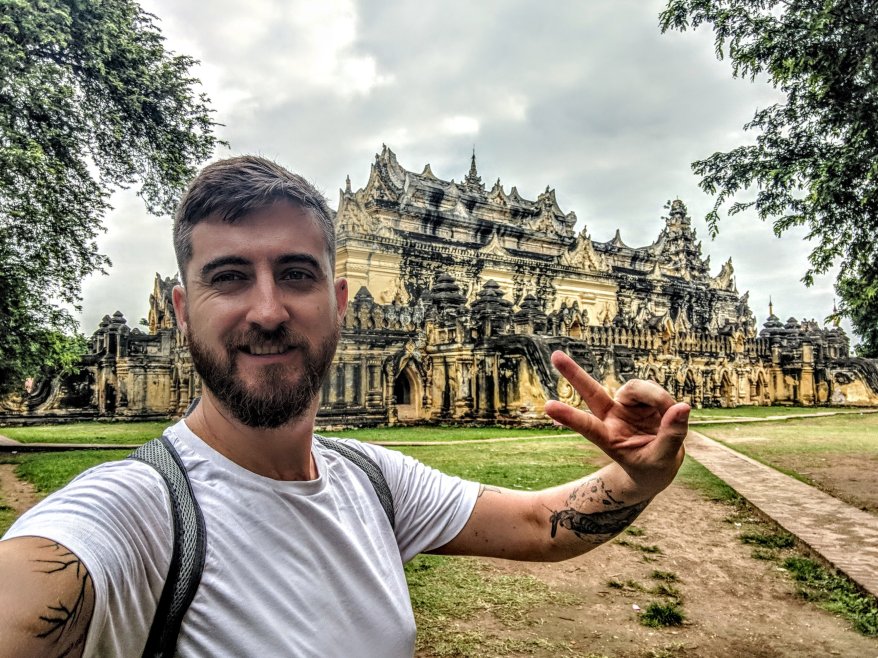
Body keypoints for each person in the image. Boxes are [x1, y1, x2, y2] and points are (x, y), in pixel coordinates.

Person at [0, 156, 690, 657]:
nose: (268, 311)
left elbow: (543, 525)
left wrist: (639, 476)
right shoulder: (131, 513)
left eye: (296, 274)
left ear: (338, 303)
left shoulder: (372, 482)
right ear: (180, 313)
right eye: (230, 277)